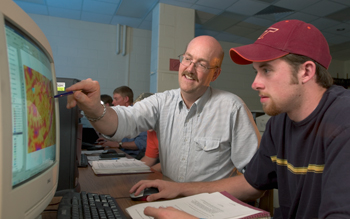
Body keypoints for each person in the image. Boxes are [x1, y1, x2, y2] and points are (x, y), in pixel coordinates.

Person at [129, 20, 350, 218]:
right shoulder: (279, 123)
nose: (255, 83)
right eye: (256, 72)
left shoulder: (343, 120)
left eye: (266, 70)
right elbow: (251, 183)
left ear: (306, 71)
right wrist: (181, 188)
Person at [66, 35, 261, 183]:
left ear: (215, 74)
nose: (190, 69)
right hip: (169, 202)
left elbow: (255, 179)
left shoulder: (232, 108)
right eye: (187, 59)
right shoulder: (161, 102)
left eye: (201, 64)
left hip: (212, 208)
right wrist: (93, 108)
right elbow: (122, 122)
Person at [98, 86, 147, 157]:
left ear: (126, 99)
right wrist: (110, 140)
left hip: (134, 157)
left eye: (116, 99)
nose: (113, 102)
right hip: (123, 153)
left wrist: (118, 144)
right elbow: (123, 139)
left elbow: (141, 143)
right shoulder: (123, 115)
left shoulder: (139, 115)